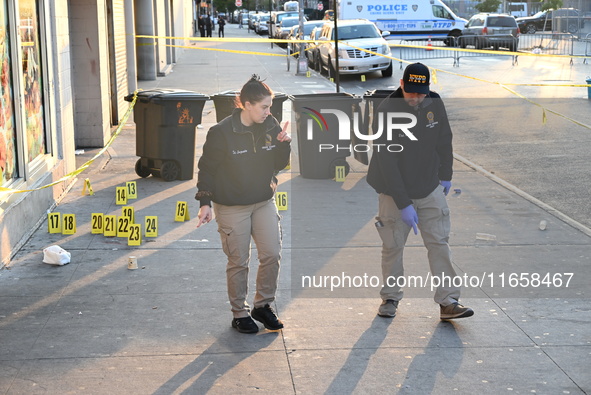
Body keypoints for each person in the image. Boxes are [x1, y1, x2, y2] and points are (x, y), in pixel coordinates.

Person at [366, 62, 474, 320]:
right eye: (411, 92)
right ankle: (390, 297)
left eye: (421, 92)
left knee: (439, 243)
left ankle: (448, 301)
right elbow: (386, 163)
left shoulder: (434, 103)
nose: (416, 98)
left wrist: (446, 175)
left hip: (428, 187)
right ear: (402, 84)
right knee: (393, 246)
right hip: (393, 191)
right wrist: (403, 203)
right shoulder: (386, 111)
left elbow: (444, 139)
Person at [195, 75, 291, 334]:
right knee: (239, 261)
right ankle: (240, 312)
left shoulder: (270, 125)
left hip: (263, 201)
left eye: (270, 106)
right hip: (231, 205)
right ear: (246, 104)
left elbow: (278, 165)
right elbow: (206, 170)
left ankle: (263, 305)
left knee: (271, 253)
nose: (269, 112)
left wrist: (284, 144)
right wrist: (205, 202)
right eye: (264, 107)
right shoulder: (221, 132)